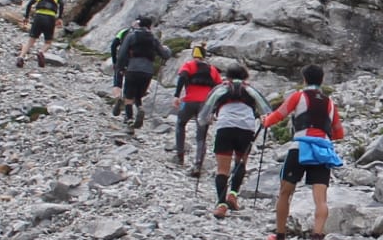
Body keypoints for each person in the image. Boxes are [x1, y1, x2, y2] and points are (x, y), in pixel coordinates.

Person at [258, 65, 346, 240]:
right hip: (322, 150)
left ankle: (280, 237)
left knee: (285, 192)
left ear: (304, 79)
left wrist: (264, 121)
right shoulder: (330, 103)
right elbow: (339, 132)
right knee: (320, 198)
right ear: (322, 81)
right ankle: (317, 237)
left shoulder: (298, 96)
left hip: (299, 148)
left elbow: (278, 115)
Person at [198, 65, 271, 218]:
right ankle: (233, 195)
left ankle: (221, 204)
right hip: (246, 128)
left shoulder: (221, 89)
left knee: (222, 169)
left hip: (225, 126)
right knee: (240, 163)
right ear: (246, 77)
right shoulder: (250, 90)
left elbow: (204, 113)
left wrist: (206, 121)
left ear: (227, 76)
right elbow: (267, 110)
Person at [171, 44, 223, 172]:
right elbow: (219, 88)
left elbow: (182, 77)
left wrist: (177, 95)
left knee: (181, 124)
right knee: (201, 134)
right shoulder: (212, 70)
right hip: (205, 104)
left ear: (194, 55)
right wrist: (215, 108)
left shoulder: (189, 65)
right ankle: (198, 164)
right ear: (204, 57)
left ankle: (180, 156)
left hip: (188, 102)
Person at [115, 17, 165, 129]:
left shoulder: (131, 36)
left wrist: (120, 67)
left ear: (139, 24)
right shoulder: (153, 38)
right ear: (150, 26)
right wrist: (167, 50)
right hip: (147, 71)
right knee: (138, 94)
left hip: (133, 68)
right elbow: (164, 54)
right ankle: (140, 108)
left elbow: (122, 52)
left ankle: (129, 119)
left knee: (128, 95)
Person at [17, 0, 63, 69]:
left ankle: (21, 57)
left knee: (31, 41)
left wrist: (26, 17)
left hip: (38, 17)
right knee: (48, 42)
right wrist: (59, 18)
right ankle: (41, 52)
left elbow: (29, 4)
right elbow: (62, 5)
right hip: (50, 18)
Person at [105, 23, 134, 116]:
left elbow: (113, 45)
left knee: (117, 82)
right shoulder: (145, 35)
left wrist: (114, 61)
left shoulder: (124, 31)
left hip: (122, 60)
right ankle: (128, 104)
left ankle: (118, 98)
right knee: (130, 84)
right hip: (134, 63)